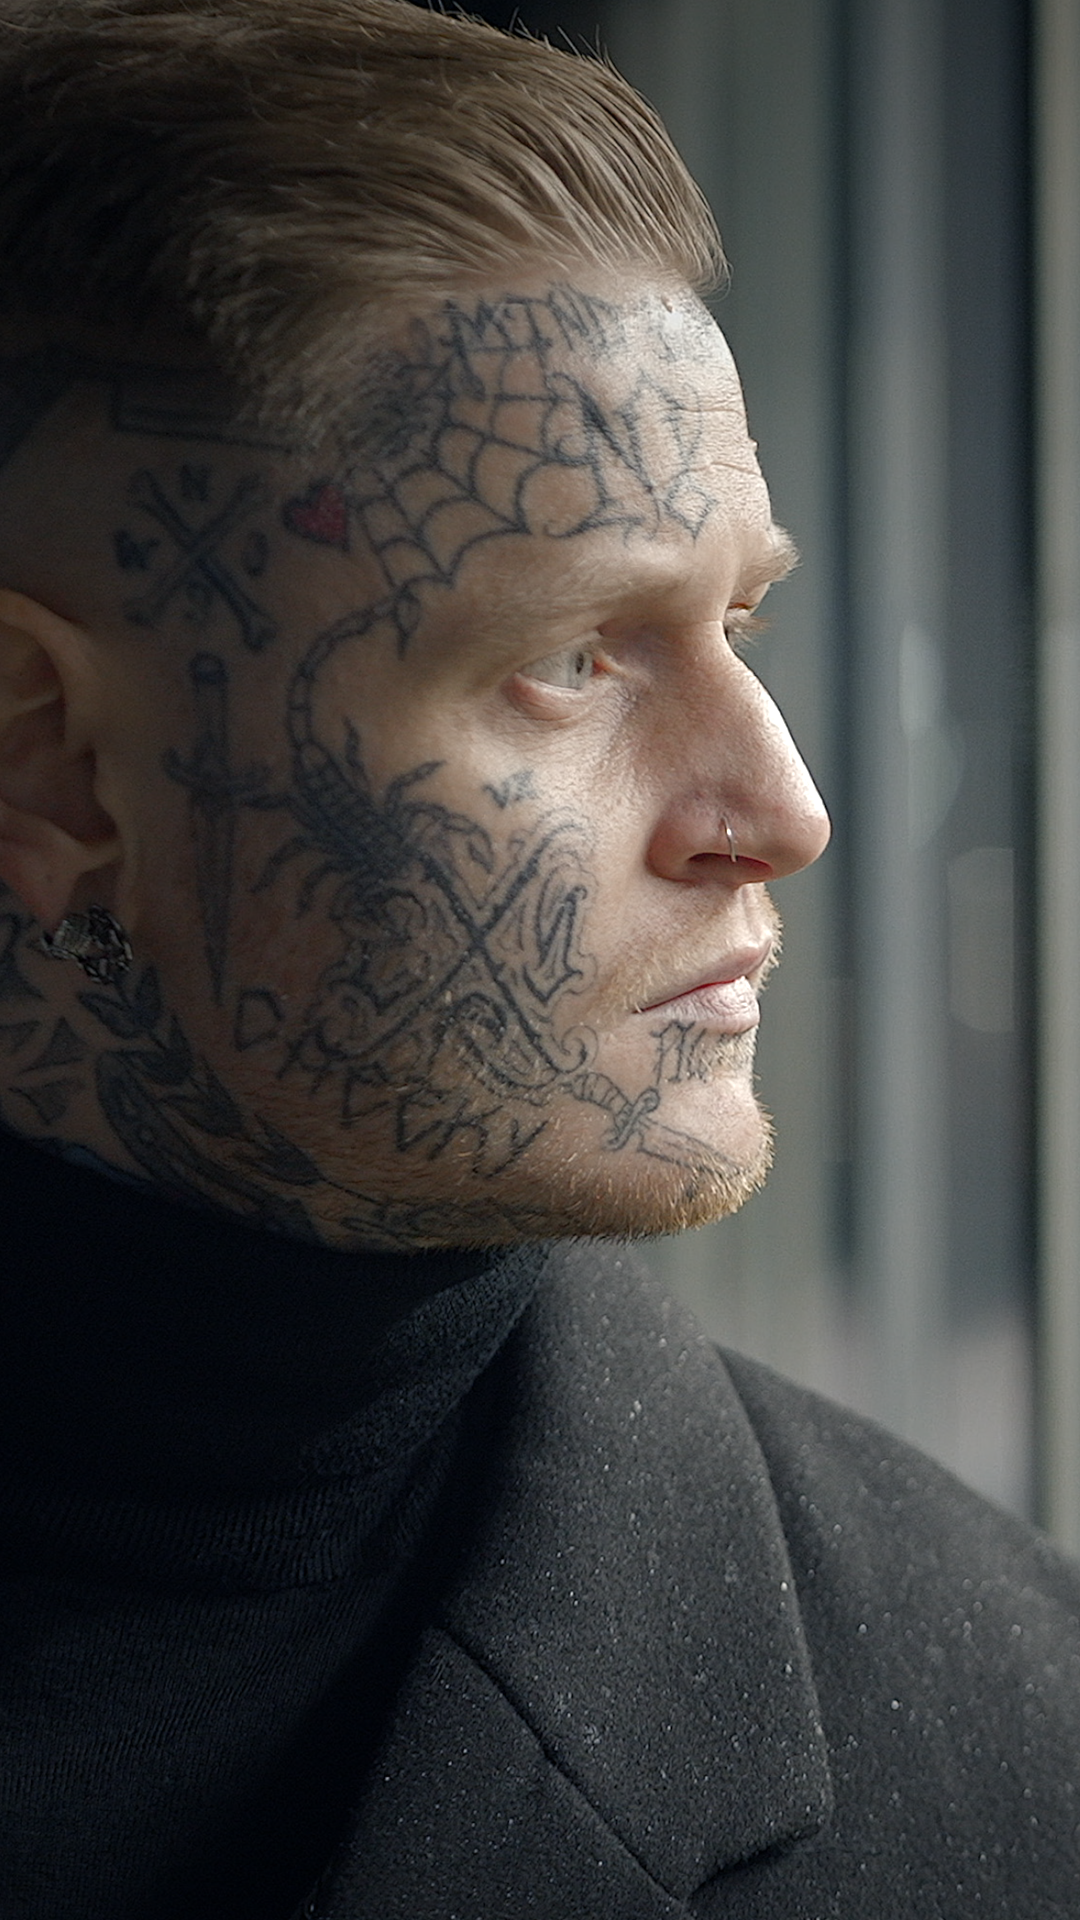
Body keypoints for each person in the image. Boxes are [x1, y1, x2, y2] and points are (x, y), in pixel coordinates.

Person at [0, 2, 1076, 1915]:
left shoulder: (1014, 1744)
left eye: (741, 621)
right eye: (575, 656)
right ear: (50, 759)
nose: (784, 811)